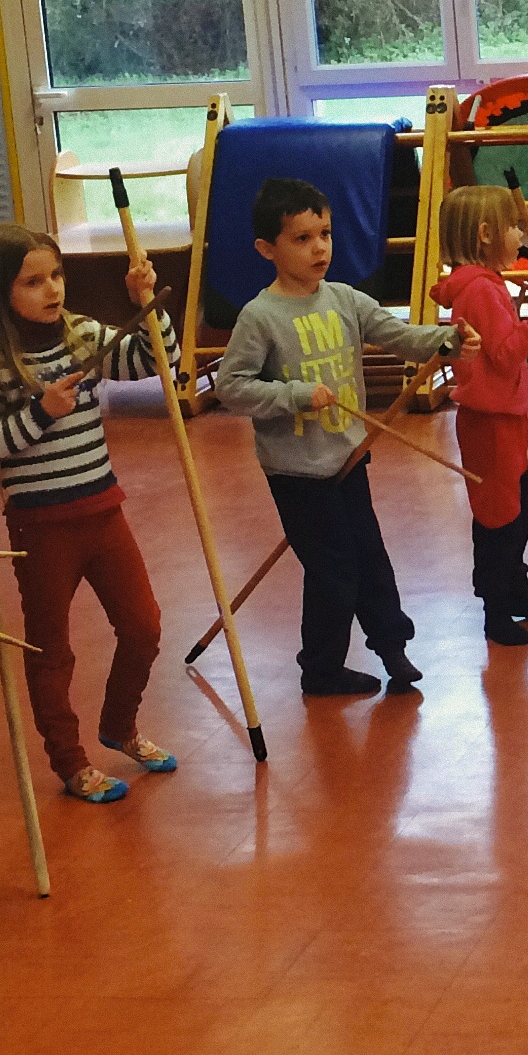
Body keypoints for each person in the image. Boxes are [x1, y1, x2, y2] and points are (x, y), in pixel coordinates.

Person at [214, 176, 472, 696]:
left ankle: (393, 648)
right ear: (268, 248)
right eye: (302, 238)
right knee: (334, 572)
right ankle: (321, 669)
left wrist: (447, 340)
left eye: (325, 234)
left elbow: (399, 336)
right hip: (297, 472)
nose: (319, 248)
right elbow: (231, 389)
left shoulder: (346, 299)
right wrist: (293, 395)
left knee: (370, 559)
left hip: (350, 457)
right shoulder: (259, 317)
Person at [0, 224, 177, 803]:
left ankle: (120, 724)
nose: (51, 289)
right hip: (39, 526)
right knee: (51, 650)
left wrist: (146, 306)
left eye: (55, 275)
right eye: (32, 282)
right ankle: (70, 760)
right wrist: (40, 411)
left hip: (102, 509)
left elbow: (155, 361)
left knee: (143, 626)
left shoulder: (81, 333)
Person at [431, 183, 528, 646]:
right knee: (500, 518)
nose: (520, 234)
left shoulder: (482, 286)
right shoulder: (481, 291)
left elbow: (499, 348)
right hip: (490, 421)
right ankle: (496, 610)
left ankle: (515, 591)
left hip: (499, 416)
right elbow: (505, 353)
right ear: (487, 233)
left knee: (517, 509)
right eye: (514, 226)